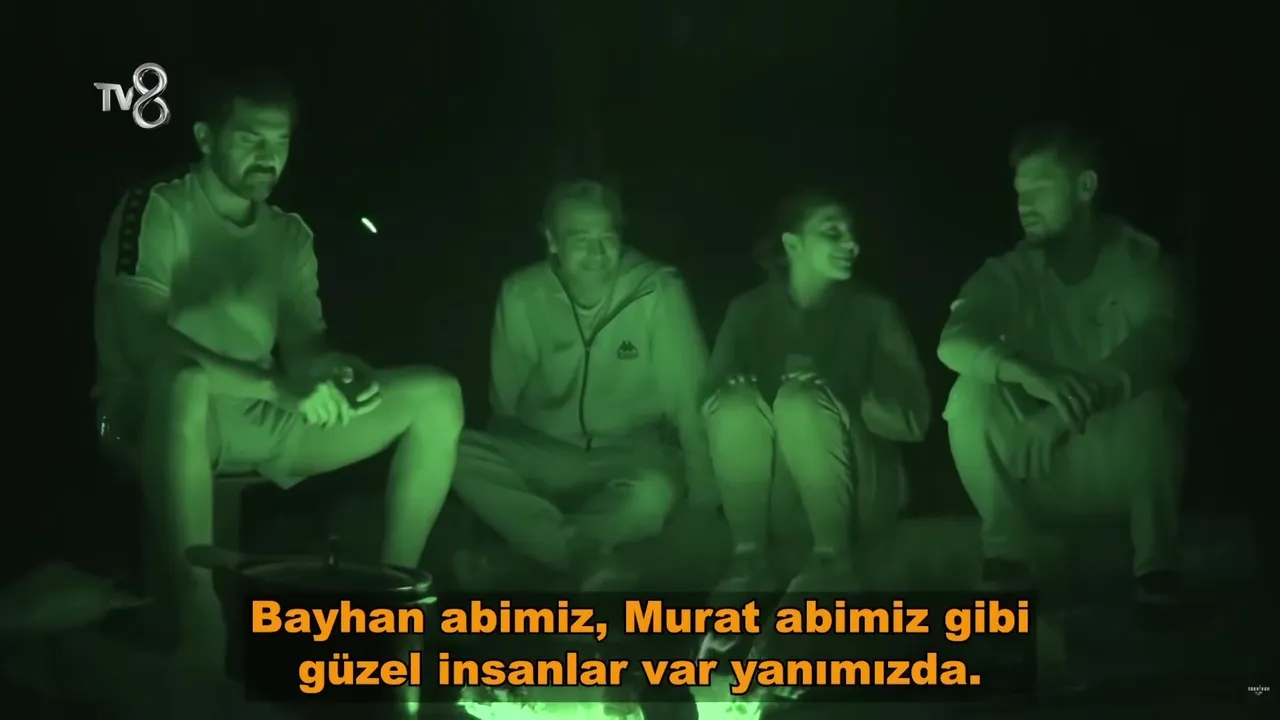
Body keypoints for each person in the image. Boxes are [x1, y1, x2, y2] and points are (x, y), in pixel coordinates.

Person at [92, 69, 464, 668]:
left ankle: (390, 602)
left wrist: (336, 370)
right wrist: (279, 387)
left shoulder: (288, 233)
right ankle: (200, 614)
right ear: (206, 137)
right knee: (183, 380)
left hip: (260, 412)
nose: (268, 157)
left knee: (437, 395)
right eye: (250, 139)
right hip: (146, 413)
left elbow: (304, 350)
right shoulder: (156, 206)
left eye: (280, 142)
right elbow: (143, 342)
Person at [938, 124, 1188, 603]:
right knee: (970, 392)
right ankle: (1007, 557)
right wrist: (1030, 374)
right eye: (1019, 192)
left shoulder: (1140, 262)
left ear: (1085, 186)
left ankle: (1156, 568)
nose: (1024, 205)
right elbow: (954, 340)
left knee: (1155, 399)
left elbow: (1161, 342)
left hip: (1116, 472)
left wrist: (1062, 411)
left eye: (1040, 189)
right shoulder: (1013, 272)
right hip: (1038, 466)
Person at [450, 179, 714, 591]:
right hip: (547, 450)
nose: (597, 253)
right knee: (452, 449)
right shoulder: (521, 293)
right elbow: (505, 403)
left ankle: (528, 556)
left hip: (631, 452)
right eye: (580, 239)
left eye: (607, 237)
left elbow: (690, 398)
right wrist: (517, 462)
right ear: (551, 241)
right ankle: (578, 552)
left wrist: (703, 502)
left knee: (651, 496)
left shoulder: (656, 289)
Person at [702, 191, 931, 596]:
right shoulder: (748, 311)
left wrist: (844, 391)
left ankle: (833, 558)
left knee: (801, 399)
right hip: (775, 495)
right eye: (832, 232)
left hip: (857, 491)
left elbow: (915, 420)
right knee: (734, 403)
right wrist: (735, 389)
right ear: (793, 245)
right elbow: (709, 404)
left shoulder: (873, 312)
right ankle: (749, 555)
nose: (851, 243)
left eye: (851, 233)